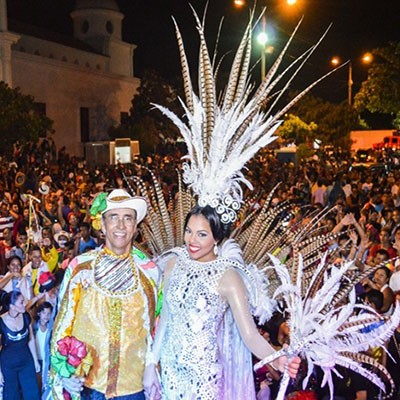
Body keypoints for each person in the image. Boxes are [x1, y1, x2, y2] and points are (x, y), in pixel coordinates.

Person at [147, 205, 300, 400]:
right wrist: (152, 363)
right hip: (170, 373)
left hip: (203, 378)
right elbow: (165, 321)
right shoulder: (173, 264)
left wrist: (277, 359)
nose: (192, 240)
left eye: (202, 234)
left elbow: (250, 335)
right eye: (188, 231)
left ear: (216, 238)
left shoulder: (228, 276)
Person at [49, 189, 160, 400]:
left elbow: (155, 328)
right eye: (114, 218)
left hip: (134, 389)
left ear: (135, 227)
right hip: (88, 387)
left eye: (128, 218)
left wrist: (153, 366)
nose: (120, 225)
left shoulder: (150, 272)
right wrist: (65, 373)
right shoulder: (80, 268)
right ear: (103, 224)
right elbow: (62, 326)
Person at [0, 290, 41, 400]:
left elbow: (31, 339)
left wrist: (35, 360)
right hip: (8, 365)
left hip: (26, 361)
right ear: (12, 306)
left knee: (32, 393)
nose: (25, 304)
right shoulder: (1, 321)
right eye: (21, 302)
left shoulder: (26, 316)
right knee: (12, 395)